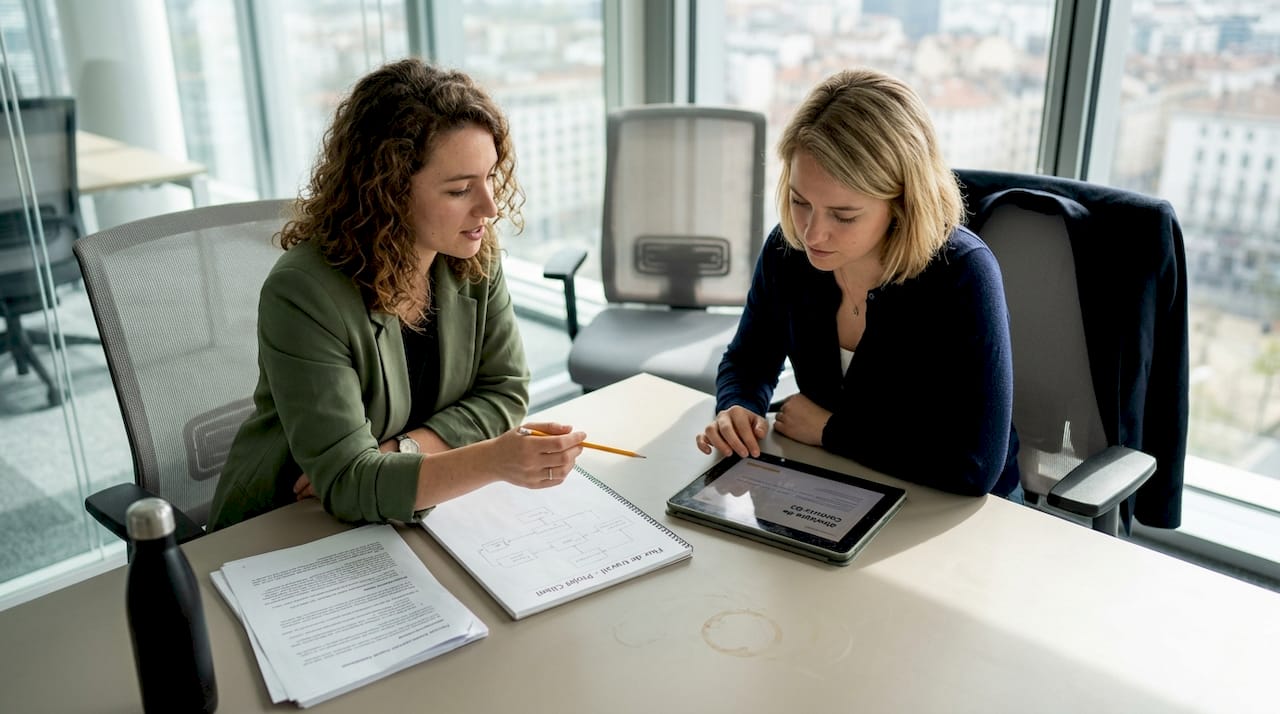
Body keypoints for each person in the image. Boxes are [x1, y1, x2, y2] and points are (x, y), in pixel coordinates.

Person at [209, 59, 586, 530]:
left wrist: (400, 453)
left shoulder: (472, 255)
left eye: (490, 177)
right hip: (288, 522)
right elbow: (346, 483)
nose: (489, 207)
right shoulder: (303, 293)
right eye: (459, 189)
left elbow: (504, 391)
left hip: (402, 516)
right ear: (388, 191)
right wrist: (491, 460)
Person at [696, 68, 1020, 499]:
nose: (811, 233)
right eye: (799, 201)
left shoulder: (963, 274)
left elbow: (972, 464)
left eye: (843, 216)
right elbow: (750, 359)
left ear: (902, 202)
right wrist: (738, 406)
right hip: (835, 485)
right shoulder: (788, 250)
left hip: (953, 511)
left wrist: (831, 431)